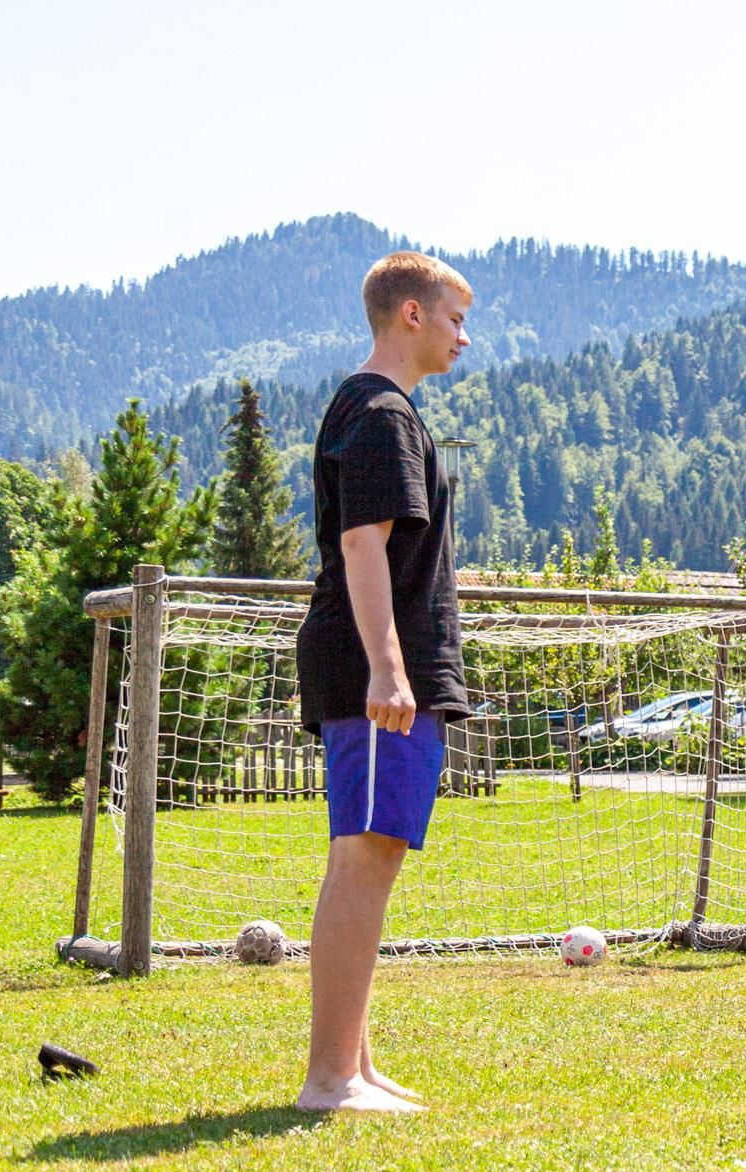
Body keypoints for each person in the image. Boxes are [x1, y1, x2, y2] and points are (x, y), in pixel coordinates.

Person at [293, 252, 473, 1112]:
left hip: (378, 666)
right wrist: (390, 667)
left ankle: (354, 1067)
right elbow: (363, 543)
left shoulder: (376, 410)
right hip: (374, 671)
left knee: (371, 853)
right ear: (411, 314)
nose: (462, 338)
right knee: (366, 856)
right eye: (455, 319)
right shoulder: (380, 413)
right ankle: (330, 1077)